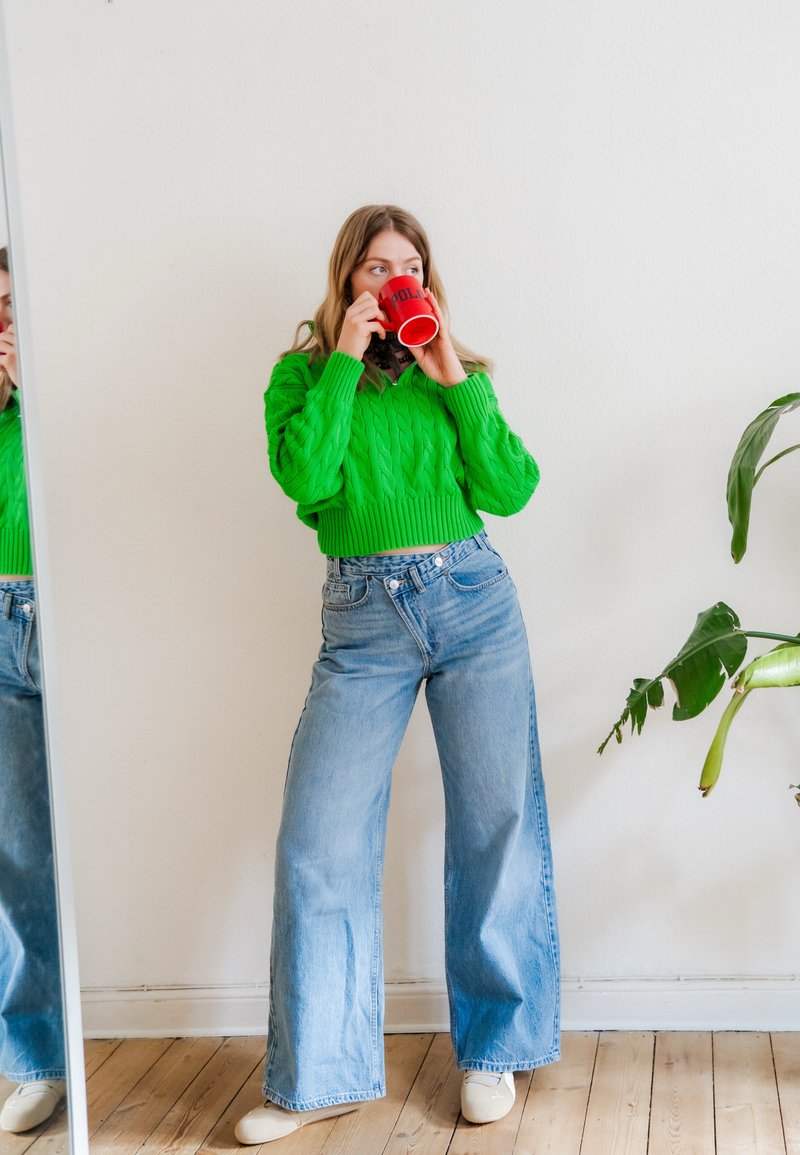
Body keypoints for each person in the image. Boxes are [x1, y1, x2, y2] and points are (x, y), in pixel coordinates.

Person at [235, 206, 560, 1145]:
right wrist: (344, 357)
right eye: (377, 267)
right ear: (347, 278)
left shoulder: (454, 374)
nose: (394, 281)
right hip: (363, 618)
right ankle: (320, 1077)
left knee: (495, 825)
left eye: (409, 265)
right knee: (319, 840)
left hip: (474, 600)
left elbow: (511, 488)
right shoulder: (301, 376)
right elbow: (307, 479)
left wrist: (452, 373)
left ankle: (495, 1049)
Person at [0, 246, 66, 1134]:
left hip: (64, 616)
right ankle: (35, 1059)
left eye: (16, 303)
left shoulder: (63, 390)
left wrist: (36, 399)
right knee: (16, 853)